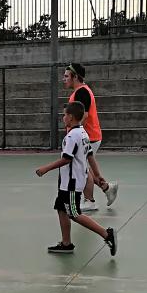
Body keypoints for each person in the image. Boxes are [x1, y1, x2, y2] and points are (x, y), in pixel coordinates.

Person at [35, 102, 117, 256]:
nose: (63, 118)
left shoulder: (72, 136)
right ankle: (66, 243)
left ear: (71, 117)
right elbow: (90, 155)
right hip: (67, 182)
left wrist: (46, 168)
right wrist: (98, 175)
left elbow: (67, 159)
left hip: (71, 183)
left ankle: (106, 234)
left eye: (65, 115)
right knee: (61, 208)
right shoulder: (83, 133)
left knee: (74, 213)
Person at [64, 63, 118, 211]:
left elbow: (84, 115)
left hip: (89, 136)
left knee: (82, 169)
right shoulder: (80, 92)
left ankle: (90, 201)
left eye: (67, 76)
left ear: (75, 77)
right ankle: (108, 188)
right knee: (84, 168)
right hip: (89, 136)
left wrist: (74, 134)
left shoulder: (82, 92)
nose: (64, 79)